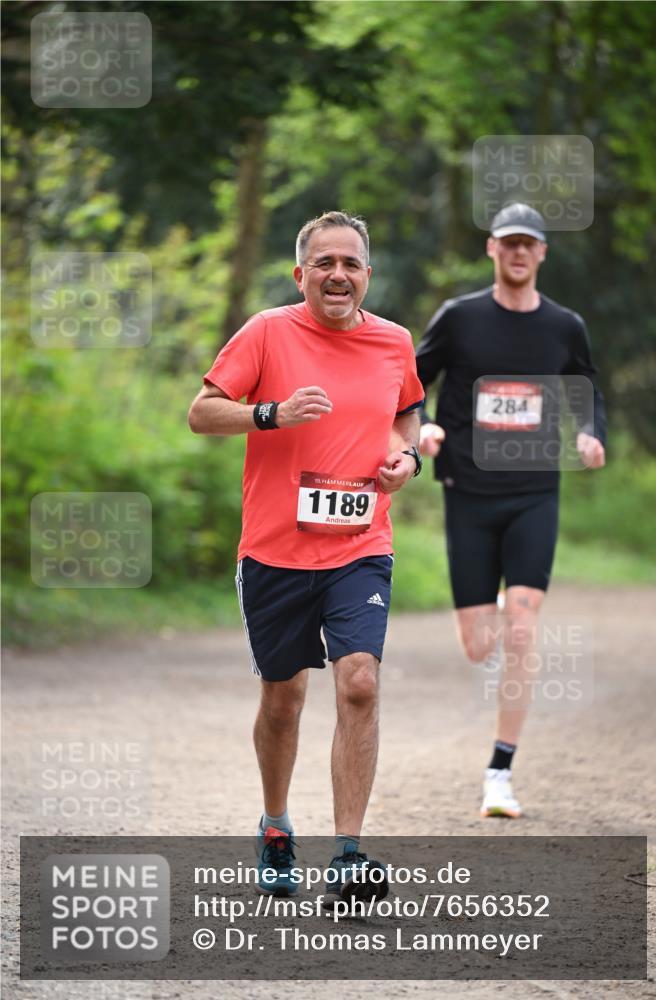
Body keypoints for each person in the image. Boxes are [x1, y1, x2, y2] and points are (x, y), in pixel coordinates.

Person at [189, 211, 424, 902]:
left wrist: (404, 456)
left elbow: (407, 410)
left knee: (359, 682)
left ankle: (348, 856)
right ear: (300, 275)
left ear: (366, 276)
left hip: (360, 545)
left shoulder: (393, 342)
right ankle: (274, 827)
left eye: (349, 263)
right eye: (323, 262)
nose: (337, 274)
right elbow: (202, 411)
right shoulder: (266, 332)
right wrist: (270, 414)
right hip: (274, 552)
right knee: (283, 699)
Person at [416, 202, 607, 818]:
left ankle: (500, 771)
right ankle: (498, 607)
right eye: (509, 243)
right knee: (478, 646)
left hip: (533, 492)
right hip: (467, 492)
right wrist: (421, 430)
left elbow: (589, 389)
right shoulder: (460, 318)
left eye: (530, 243)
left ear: (543, 253)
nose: (519, 252)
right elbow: (408, 384)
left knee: (522, 632)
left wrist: (589, 432)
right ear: (492, 250)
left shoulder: (564, 326)